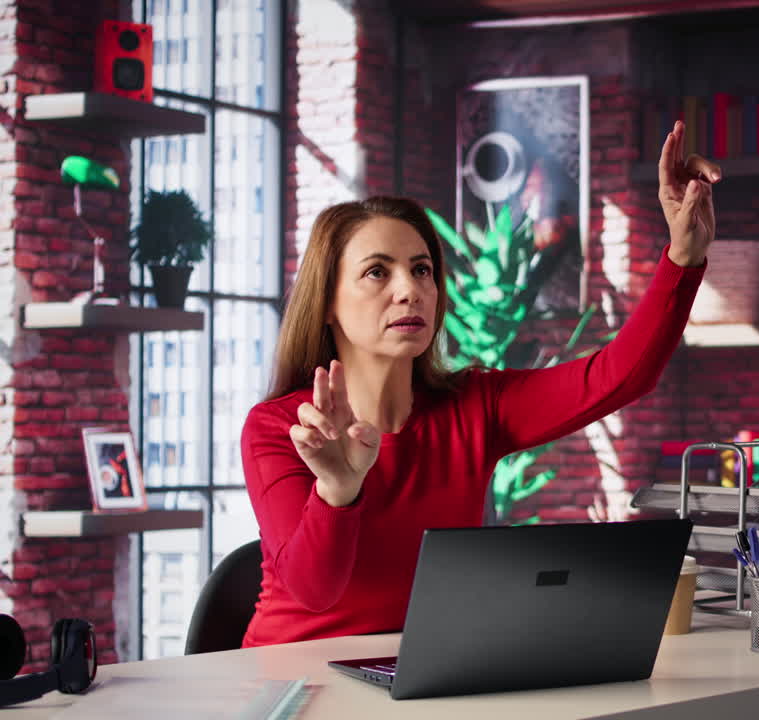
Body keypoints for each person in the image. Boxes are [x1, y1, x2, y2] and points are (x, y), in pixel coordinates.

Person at [240, 121, 721, 647]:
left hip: (418, 672)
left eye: (422, 270)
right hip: (290, 677)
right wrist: (337, 489)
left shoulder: (473, 406)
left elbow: (617, 377)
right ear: (328, 301)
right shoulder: (281, 428)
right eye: (378, 272)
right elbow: (315, 592)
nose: (410, 290)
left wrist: (684, 257)